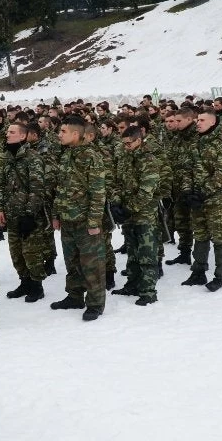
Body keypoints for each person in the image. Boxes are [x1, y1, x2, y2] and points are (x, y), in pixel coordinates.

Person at [50, 116, 107, 320]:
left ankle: (95, 302)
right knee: (71, 262)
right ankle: (74, 296)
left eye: (63, 131)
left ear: (76, 134)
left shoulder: (91, 156)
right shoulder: (66, 155)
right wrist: (56, 215)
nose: (59, 135)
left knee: (92, 264)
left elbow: (98, 192)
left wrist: (93, 222)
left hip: (85, 221)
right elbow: (60, 188)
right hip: (67, 220)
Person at [0, 122, 48, 303]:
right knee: (16, 252)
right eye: (7, 131)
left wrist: (29, 213)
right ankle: (24, 282)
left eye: (12, 132)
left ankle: (36, 286)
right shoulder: (6, 158)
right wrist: (0, 208)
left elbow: (37, 189)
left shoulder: (33, 158)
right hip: (11, 214)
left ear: (23, 136)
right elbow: (0, 186)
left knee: (31, 252)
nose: (7, 135)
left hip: (28, 216)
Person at [181, 110, 222, 291]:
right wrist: (188, 191)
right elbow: (187, 169)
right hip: (197, 200)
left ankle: (220, 275)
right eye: (197, 120)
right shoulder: (195, 143)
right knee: (200, 236)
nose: (198, 123)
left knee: (219, 238)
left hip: (216, 200)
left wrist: (203, 192)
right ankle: (198, 272)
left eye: (202, 120)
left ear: (213, 123)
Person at [110, 126, 162, 304]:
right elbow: (116, 182)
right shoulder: (124, 159)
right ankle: (132, 284)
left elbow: (146, 192)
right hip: (128, 215)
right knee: (132, 252)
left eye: (129, 143)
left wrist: (128, 208)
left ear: (139, 140)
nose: (125, 146)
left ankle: (148, 291)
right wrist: (116, 201)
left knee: (147, 254)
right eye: (123, 143)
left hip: (144, 214)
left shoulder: (149, 161)